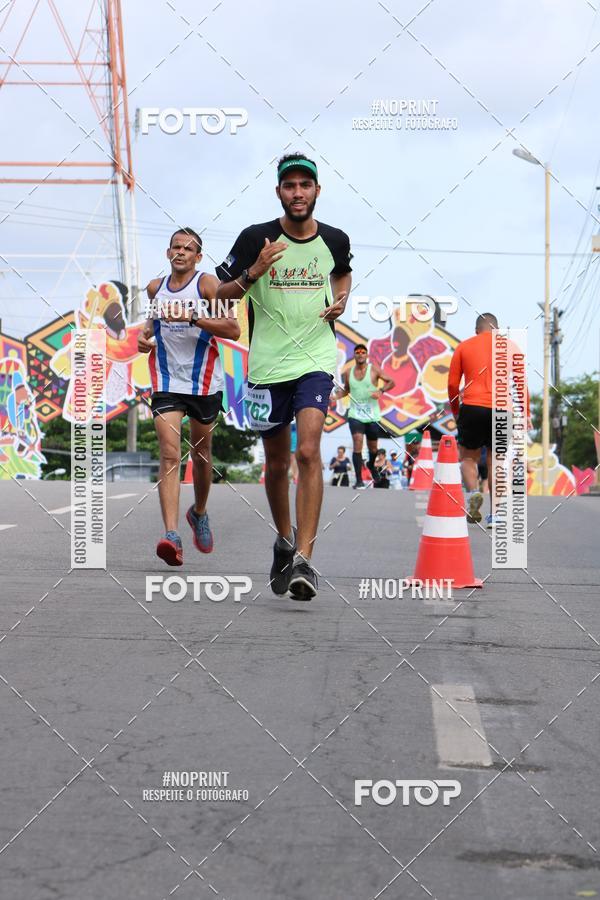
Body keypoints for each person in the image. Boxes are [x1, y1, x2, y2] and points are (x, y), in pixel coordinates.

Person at [215, 152, 352, 601]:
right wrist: (254, 271)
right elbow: (220, 292)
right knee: (276, 464)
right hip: (267, 365)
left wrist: (342, 299)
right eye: (289, 186)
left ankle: (305, 561)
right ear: (279, 192)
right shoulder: (256, 236)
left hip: (315, 359)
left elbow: (343, 273)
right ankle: (284, 538)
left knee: (309, 451)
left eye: (305, 185)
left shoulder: (334, 239)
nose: (298, 193)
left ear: (317, 191)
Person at [137, 227, 240, 565]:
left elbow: (232, 329)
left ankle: (199, 512)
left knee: (201, 455)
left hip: (204, 383)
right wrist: (144, 337)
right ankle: (171, 534)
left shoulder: (208, 284)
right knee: (170, 454)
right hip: (167, 381)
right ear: (168, 253)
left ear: (198, 257)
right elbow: (151, 324)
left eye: (188, 248)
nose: (180, 252)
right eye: (175, 247)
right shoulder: (156, 288)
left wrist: (193, 316)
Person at [447, 312, 530, 527]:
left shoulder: (464, 346)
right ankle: (496, 515)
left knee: (468, 458)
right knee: (498, 462)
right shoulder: (511, 347)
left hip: (473, 406)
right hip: (503, 409)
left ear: (477, 330)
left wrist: (456, 410)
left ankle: (474, 493)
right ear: (497, 329)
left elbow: (452, 385)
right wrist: (526, 413)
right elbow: (521, 385)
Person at [330, 343, 394, 489]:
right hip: (355, 415)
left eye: (363, 352)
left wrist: (381, 391)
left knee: (373, 448)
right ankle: (359, 480)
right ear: (354, 355)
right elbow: (346, 390)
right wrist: (335, 397)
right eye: (357, 352)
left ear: (366, 355)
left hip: (372, 415)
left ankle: (371, 465)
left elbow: (392, 381)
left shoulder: (374, 370)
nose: (360, 354)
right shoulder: (348, 372)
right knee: (357, 442)